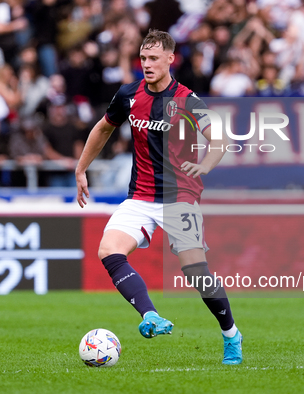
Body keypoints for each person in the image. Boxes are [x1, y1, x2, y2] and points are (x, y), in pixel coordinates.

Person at [75, 29, 243, 365]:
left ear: (170, 59)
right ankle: (150, 316)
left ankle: (231, 334)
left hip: (180, 196)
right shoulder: (128, 95)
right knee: (108, 250)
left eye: (154, 58)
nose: (147, 64)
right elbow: (103, 128)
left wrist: (205, 165)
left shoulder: (188, 100)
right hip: (139, 196)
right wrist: (81, 169)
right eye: (143, 58)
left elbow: (219, 140)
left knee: (195, 271)